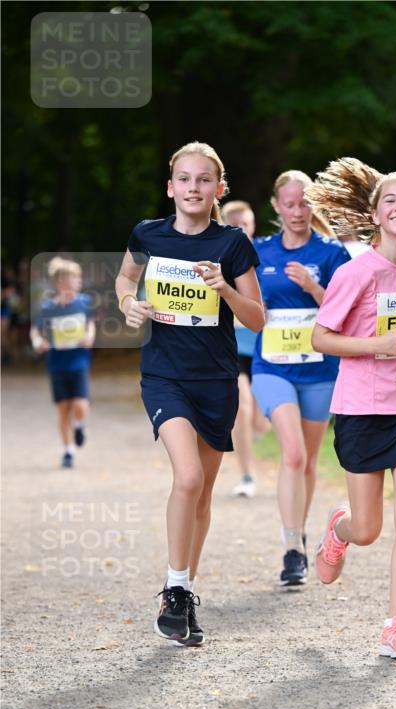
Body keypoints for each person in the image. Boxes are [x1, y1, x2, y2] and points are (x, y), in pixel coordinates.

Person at [115, 141, 264, 646]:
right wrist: (129, 305)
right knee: (189, 477)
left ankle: (183, 592)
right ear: (171, 187)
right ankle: (175, 588)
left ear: (217, 189)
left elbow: (257, 318)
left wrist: (225, 289)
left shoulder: (233, 243)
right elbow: (124, 279)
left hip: (216, 379)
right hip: (164, 375)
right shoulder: (147, 234)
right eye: (184, 178)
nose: (193, 188)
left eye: (204, 180)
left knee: (201, 494)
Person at [307, 157, 396, 660]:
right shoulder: (356, 272)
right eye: (391, 199)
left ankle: (395, 625)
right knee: (369, 529)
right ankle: (338, 530)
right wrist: (376, 347)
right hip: (362, 408)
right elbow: (321, 337)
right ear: (374, 213)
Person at [252, 169, 350, 586]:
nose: (298, 211)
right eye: (289, 204)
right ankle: (292, 546)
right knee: (291, 453)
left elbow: (346, 312)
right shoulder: (259, 252)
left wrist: (313, 287)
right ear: (276, 206)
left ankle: (301, 531)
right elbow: (244, 306)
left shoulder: (332, 254)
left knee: (308, 460)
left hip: (320, 370)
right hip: (271, 367)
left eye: (305, 203)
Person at [221, 199, 268, 498]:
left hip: (267, 348)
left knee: (260, 421)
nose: (240, 230)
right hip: (233, 347)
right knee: (242, 406)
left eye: (245, 224)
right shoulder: (217, 256)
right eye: (234, 225)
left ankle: (253, 435)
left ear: (253, 226)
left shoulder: (268, 255)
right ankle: (247, 475)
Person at [30, 257, 96, 468]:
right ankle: (68, 451)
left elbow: (91, 324)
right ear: (59, 283)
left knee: (80, 404)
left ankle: (80, 425)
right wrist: (37, 341)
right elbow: (35, 329)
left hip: (78, 361)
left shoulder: (84, 302)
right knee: (62, 409)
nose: (75, 284)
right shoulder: (48, 306)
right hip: (57, 363)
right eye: (70, 280)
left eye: (77, 280)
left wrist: (90, 336)